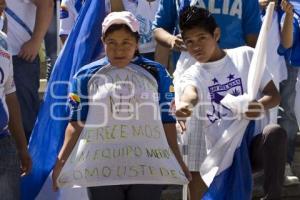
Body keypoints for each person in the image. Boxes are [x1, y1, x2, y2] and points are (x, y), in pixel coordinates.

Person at [52, 11, 190, 200]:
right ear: (103, 41)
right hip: (100, 170)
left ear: (137, 41)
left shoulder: (157, 73)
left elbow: (167, 121)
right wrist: (60, 163)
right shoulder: (85, 76)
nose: (119, 50)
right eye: (112, 43)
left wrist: (178, 160)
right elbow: (76, 123)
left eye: (126, 42)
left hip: (148, 168)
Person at [175, 6, 287, 200]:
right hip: (218, 153)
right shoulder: (191, 75)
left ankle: (273, 195)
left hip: (251, 145)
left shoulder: (246, 55)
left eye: (202, 38)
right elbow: (190, 94)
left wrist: (259, 106)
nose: (196, 47)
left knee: (275, 132)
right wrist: (185, 105)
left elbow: (274, 95)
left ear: (216, 34)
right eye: (189, 42)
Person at [152, 0, 262, 68]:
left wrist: (249, 70)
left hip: (233, 71)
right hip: (191, 71)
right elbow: (159, 28)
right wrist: (171, 40)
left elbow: (253, 37)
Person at [5, 0, 54, 140]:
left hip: (19, 58)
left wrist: (35, 41)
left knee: (24, 121)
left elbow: (46, 4)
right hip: (8, 58)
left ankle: (30, 159)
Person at [0, 2, 32, 199]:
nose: (3, 5)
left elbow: (10, 94)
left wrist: (21, 146)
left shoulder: (3, 41)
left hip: (4, 145)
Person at [276, 0, 300, 186]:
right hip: (253, 52)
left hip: (288, 60)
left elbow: (288, 41)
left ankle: (284, 163)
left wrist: (290, 14)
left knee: (285, 112)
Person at [59, 0, 124, 44]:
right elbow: (65, 35)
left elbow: (122, 26)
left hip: (116, 56)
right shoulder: (69, 1)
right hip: (85, 59)